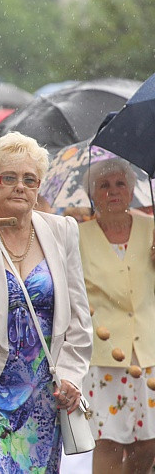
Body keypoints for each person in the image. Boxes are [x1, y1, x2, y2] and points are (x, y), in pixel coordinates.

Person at [0, 131, 93, 472]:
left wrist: (70, 377)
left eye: (29, 179)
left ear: (39, 186)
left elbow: (78, 319)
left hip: (43, 395)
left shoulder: (62, 230)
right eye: (8, 178)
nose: (20, 187)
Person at [79, 158, 155, 473]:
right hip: (105, 355)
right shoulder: (77, 235)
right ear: (93, 194)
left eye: (120, 184)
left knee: (149, 442)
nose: (113, 191)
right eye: (104, 185)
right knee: (109, 440)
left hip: (150, 352)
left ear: (132, 189)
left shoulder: (151, 229)